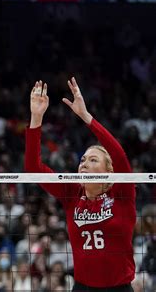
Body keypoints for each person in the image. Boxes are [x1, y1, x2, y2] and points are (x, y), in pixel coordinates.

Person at [25, 78, 136, 291]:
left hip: (119, 287)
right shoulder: (72, 193)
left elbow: (120, 156)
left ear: (109, 171)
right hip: (82, 287)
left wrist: (85, 116)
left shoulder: (122, 192)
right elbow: (33, 168)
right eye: (83, 160)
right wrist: (36, 117)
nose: (84, 164)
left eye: (93, 160)